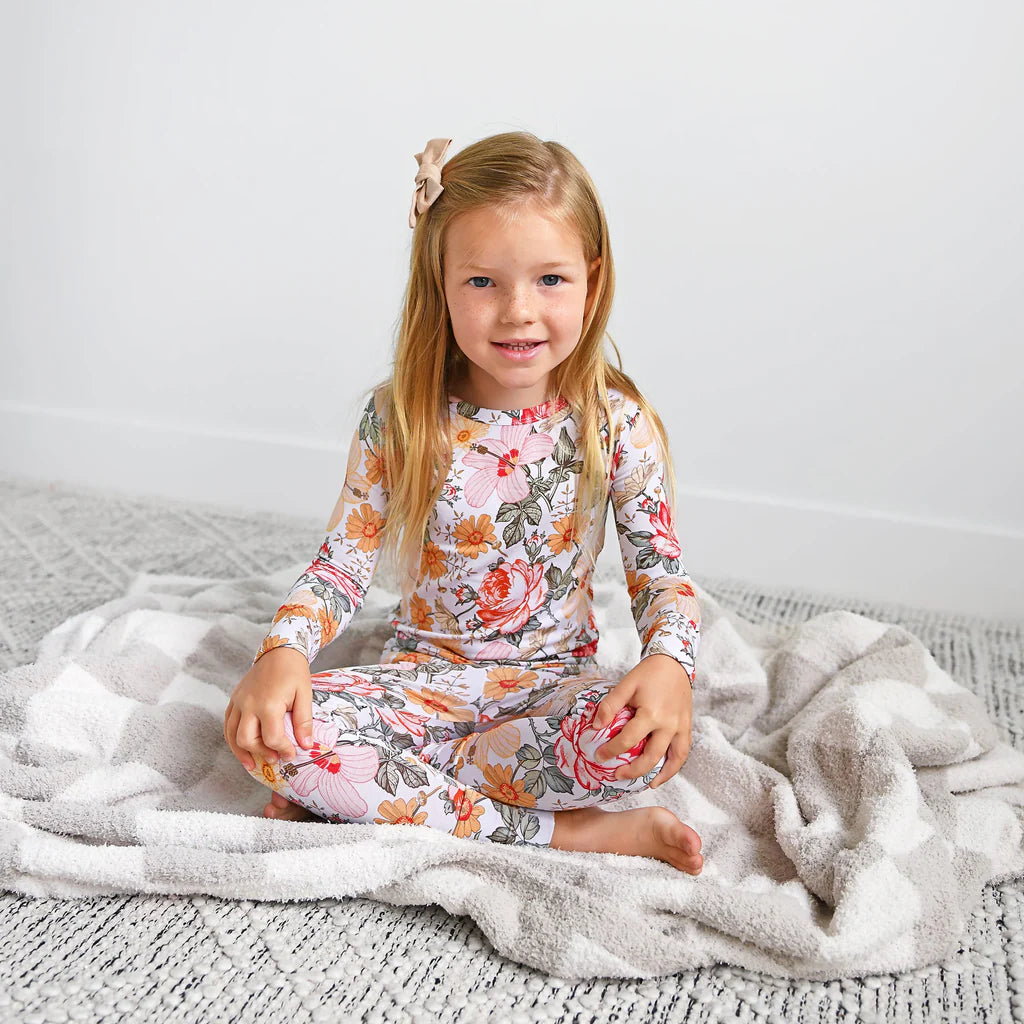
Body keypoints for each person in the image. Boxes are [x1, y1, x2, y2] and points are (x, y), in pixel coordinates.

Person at [223, 132, 703, 874]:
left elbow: (661, 575)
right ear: (440, 285)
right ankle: (566, 834)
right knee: (269, 736)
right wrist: (282, 651)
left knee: (628, 743)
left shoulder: (615, 423)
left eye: (550, 279)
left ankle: (382, 795)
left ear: (593, 279)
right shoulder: (400, 417)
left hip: (550, 688)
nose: (518, 311)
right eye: (482, 282)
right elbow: (343, 563)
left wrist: (670, 664)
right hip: (418, 682)